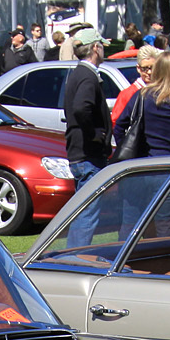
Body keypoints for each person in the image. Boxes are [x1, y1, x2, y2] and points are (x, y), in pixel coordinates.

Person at [60, 25, 112, 247]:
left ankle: (73, 254)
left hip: (80, 152)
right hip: (88, 154)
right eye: (102, 47)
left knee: (83, 209)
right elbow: (81, 109)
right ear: (96, 48)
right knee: (88, 212)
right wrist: (95, 135)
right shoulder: (88, 77)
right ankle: (76, 257)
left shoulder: (78, 74)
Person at [112, 50, 170, 159]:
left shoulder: (143, 95)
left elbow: (119, 126)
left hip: (147, 161)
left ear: (156, 69)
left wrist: (130, 151)